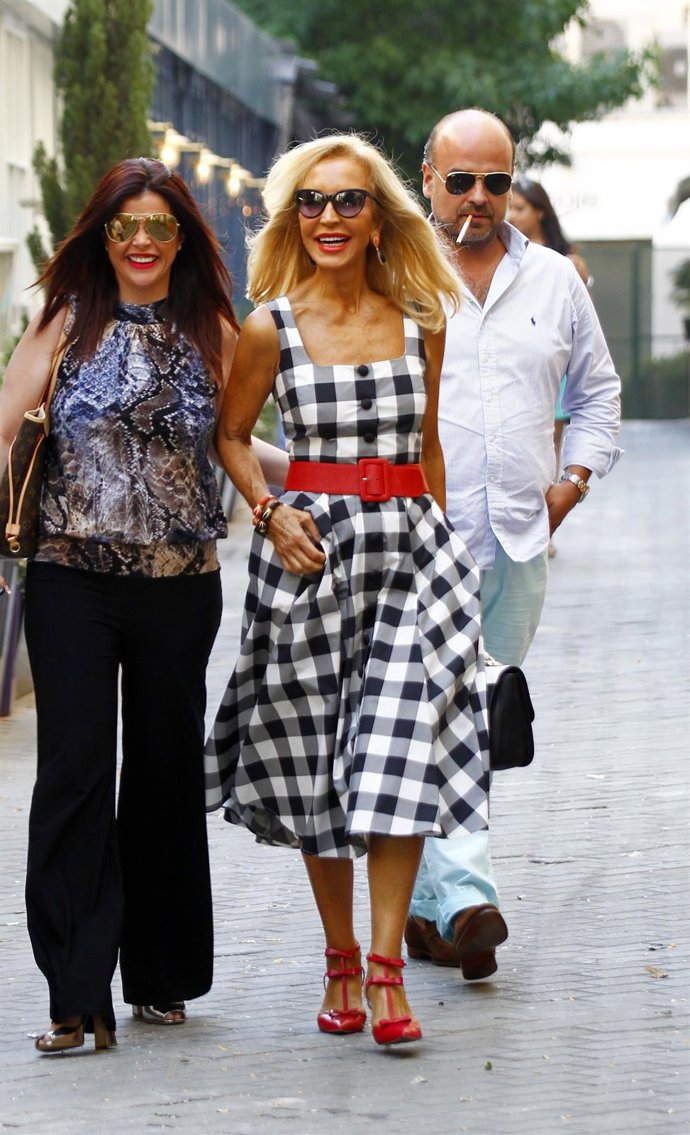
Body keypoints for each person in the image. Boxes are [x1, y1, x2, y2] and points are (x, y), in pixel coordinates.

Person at [204, 133, 491, 1047]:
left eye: (349, 202)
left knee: (400, 759)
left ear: (378, 220)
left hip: (410, 556)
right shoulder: (269, 326)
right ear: (296, 218)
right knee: (321, 766)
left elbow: (429, 446)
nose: (329, 217)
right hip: (313, 559)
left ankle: (387, 971)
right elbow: (233, 435)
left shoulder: (421, 320)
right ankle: (339, 956)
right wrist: (267, 508)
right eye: (313, 203)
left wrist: (448, 547)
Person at [0, 157, 283, 1054]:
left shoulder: (215, 332)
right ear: (103, 235)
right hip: (71, 580)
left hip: (179, 584)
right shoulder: (63, 321)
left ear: (182, 239)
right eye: (127, 226)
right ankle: (73, 993)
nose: (143, 242)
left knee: (164, 774)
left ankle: (160, 977)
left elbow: (247, 444)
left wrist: (331, 482)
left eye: (161, 226)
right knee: (75, 773)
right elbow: (6, 424)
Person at [404, 108, 622, 979]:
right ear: (428, 179)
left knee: (474, 720)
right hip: (419, 540)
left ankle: (426, 910)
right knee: (445, 712)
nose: (480, 198)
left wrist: (570, 485)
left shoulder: (556, 284)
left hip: (521, 543)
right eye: (461, 181)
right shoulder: (396, 271)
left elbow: (599, 393)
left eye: (497, 181)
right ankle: (467, 895)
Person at [509, 179, 592, 556]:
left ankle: (545, 527)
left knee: (549, 440)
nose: (512, 214)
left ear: (539, 211)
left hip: (553, 362)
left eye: (521, 208)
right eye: (510, 206)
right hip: (516, 358)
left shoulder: (565, 260)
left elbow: (583, 321)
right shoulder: (504, 252)